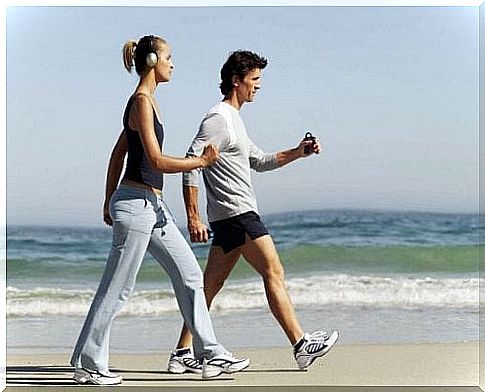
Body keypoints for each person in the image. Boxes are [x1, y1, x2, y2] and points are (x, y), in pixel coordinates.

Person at [69, 35, 249, 385]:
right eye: (169, 56)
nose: (173, 63)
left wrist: (108, 199)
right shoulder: (140, 102)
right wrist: (198, 161)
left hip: (151, 207)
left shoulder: (148, 103)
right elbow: (154, 159)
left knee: (191, 276)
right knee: (118, 287)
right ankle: (88, 364)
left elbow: (118, 154)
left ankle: (210, 355)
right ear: (152, 60)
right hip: (136, 206)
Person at [167, 50, 339, 373]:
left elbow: (259, 161)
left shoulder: (235, 119)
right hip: (237, 213)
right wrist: (192, 216)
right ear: (236, 80)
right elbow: (191, 162)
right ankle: (301, 344)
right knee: (273, 270)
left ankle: (181, 351)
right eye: (255, 79)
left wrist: (299, 152)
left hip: (229, 216)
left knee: (209, 287)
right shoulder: (218, 118)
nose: (258, 86)